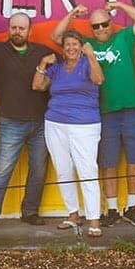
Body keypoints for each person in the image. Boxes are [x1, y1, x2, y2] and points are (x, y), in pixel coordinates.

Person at [51, 2, 135, 227]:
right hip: (104, 112)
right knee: (108, 162)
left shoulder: (124, 37)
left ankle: (132, 207)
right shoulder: (87, 44)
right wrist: (73, 13)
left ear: (111, 23)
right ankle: (112, 210)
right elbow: (57, 36)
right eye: (95, 26)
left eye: (105, 23)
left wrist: (119, 5)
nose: (101, 29)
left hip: (132, 107)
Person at [0, 8, 54, 233]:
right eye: (13, 27)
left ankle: (30, 212)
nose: (17, 31)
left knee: (39, 169)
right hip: (9, 122)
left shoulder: (43, 52)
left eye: (21, 28)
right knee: (3, 170)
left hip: (40, 122)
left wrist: (50, 60)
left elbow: (65, 65)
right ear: (9, 29)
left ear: (29, 30)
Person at [33, 30, 105, 238]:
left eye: (75, 44)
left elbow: (99, 80)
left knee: (87, 170)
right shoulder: (57, 69)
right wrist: (43, 64)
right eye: (67, 45)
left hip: (84, 125)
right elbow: (37, 85)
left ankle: (93, 219)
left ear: (81, 46)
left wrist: (91, 56)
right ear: (63, 49)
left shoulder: (87, 63)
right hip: (55, 123)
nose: (71, 48)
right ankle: (73, 214)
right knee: (63, 170)